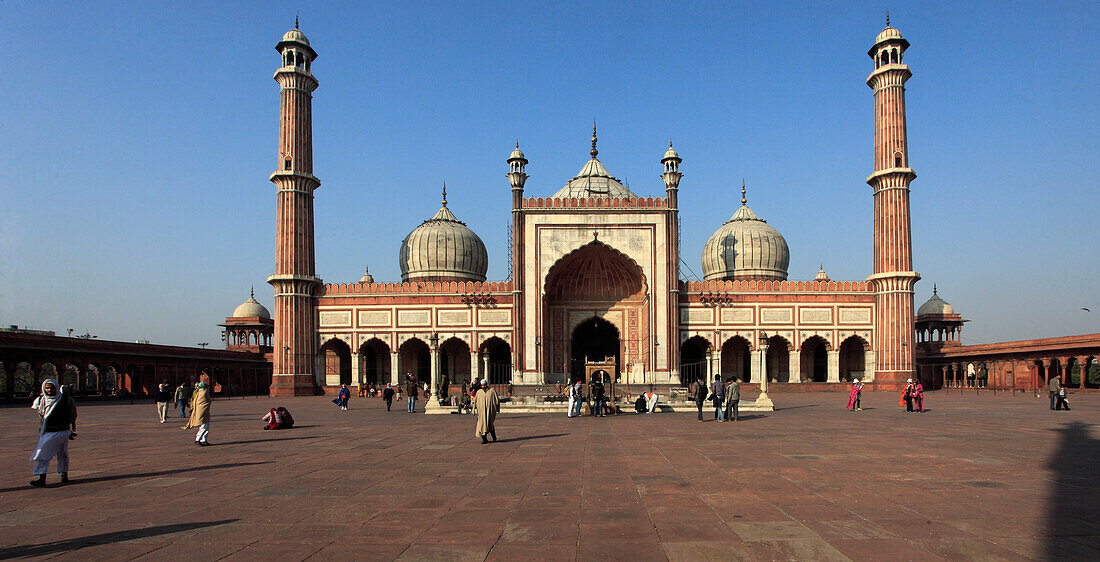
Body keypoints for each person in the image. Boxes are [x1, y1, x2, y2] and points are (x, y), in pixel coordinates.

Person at [29, 379, 77, 487]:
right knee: (45, 454)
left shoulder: (65, 400)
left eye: (52, 388)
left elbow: (72, 414)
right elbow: (41, 415)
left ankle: (56, 476)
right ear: (43, 388)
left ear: (56, 388)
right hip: (48, 431)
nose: (50, 390)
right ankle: (46, 477)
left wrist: (68, 427)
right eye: (47, 388)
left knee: (50, 454)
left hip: (61, 431)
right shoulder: (41, 400)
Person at [182, 375, 212, 446]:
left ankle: (204, 440)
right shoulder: (203, 393)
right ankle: (197, 439)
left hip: (204, 411)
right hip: (202, 412)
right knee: (204, 426)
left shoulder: (199, 392)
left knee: (206, 426)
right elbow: (207, 401)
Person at [474, 378, 500, 444]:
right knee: (481, 425)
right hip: (481, 412)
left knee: (490, 425)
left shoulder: (492, 391)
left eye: (484, 385)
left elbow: (496, 400)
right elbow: (475, 401)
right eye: (482, 385)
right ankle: (484, 439)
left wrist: (497, 408)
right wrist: (474, 410)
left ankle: (494, 437)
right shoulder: (479, 392)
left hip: (489, 411)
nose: (483, 386)